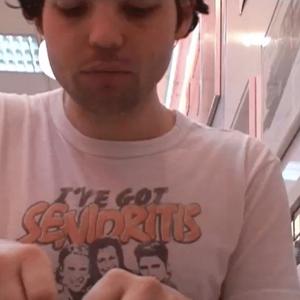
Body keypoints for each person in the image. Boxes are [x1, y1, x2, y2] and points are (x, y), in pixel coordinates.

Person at [0, 0, 299, 299]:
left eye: (138, 8)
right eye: (72, 8)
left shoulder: (246, 171)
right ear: (39, 18)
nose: (104, 36)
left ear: (181, 17)